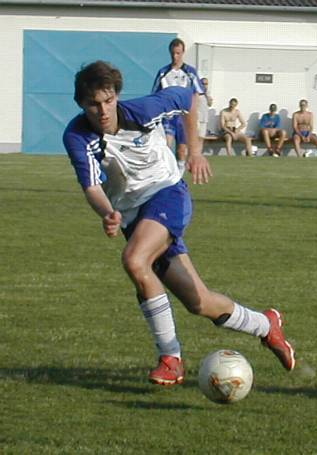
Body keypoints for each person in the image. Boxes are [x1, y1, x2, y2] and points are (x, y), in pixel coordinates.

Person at [63, 61, 296, 386]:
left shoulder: (145, 110)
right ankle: (266, 325)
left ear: (117, 96)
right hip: (133, 216)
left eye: (108, 100)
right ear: (80, 103)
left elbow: (189, 97)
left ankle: (170, 358)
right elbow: (91, 186)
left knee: (135, 260)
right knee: (198, 301)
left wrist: (195, 151)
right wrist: (106, 213)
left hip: (167, 193)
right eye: (93, 104)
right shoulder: (77, 136)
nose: (103, 110)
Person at [151, 38, 207, 170]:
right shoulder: (163, 72)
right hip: (168, 116)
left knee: (181, 151)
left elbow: (198, 93)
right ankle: (165, 173)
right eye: (173, 53)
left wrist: (194, 115)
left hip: (184, 116)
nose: (175, 56)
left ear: (183, 52)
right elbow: (154, 94)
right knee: (166, 146)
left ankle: (178, 176)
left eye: (178, 53)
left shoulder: (190, 72)